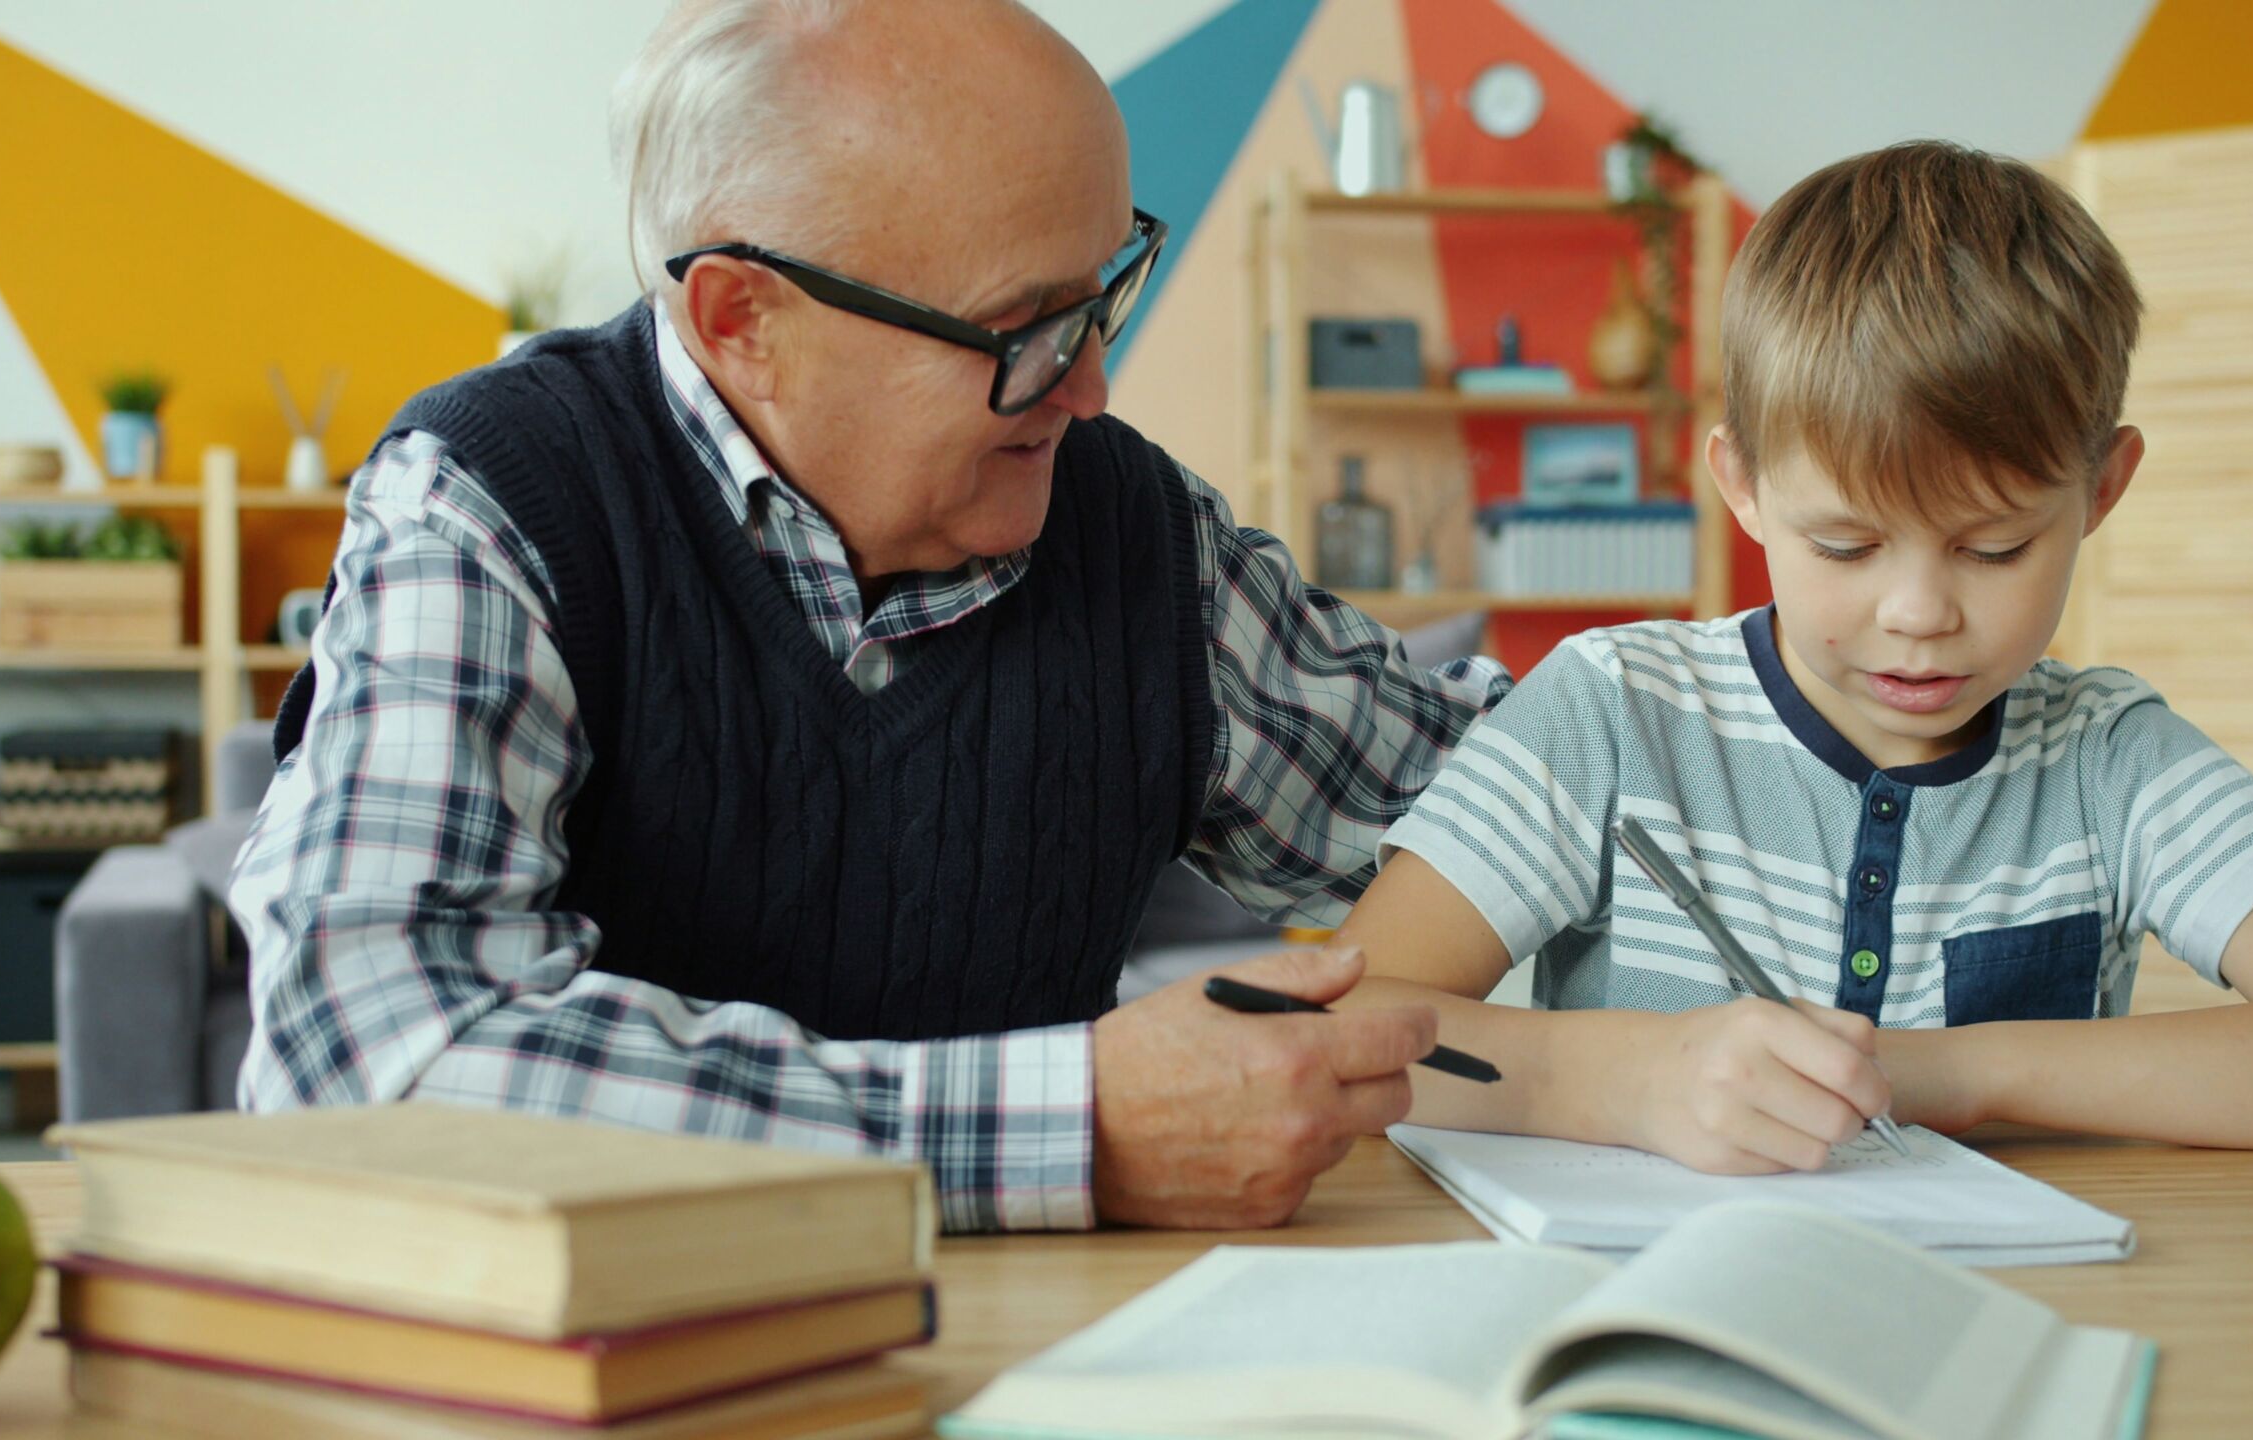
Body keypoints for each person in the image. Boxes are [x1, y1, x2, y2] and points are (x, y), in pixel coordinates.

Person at [231, 0, 1513, 1232]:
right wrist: (1077, 1133)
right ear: (744, 322)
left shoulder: (1135, 529)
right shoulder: (493, 502)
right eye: (1024, 328)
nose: (1090, 386)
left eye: (1103, 289)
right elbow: (368, 1063)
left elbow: (1502, 815)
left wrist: (1685, 709)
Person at [1331, 140, 2253, 1173]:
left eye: (1995, 545)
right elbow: (1345, 1026)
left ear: (2101, 490)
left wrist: (1954, 1073)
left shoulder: (2115, 760)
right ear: (1743, 487)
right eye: (1846, 544)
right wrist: (1621, 1086)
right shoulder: (1613, 713)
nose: (1918, 611)